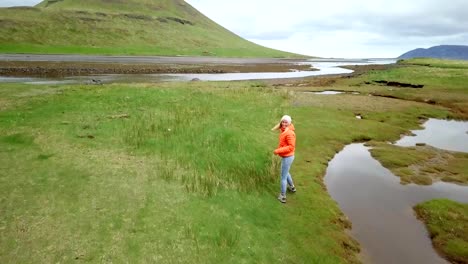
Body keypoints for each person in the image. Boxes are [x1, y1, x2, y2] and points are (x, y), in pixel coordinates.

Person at [272, 115, 296, 203]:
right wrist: (277, 127)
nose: (284, 123)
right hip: (287, 156)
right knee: (286, 172)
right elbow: (279, 126)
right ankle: (292, 187)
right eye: (283, 122)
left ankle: (282, 196)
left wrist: (277, 151)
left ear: (289, 123)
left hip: (288, 157)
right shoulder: (285, 130)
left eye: (286, 122)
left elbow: (291, 147)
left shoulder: (289, 133)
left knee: (283, 177)